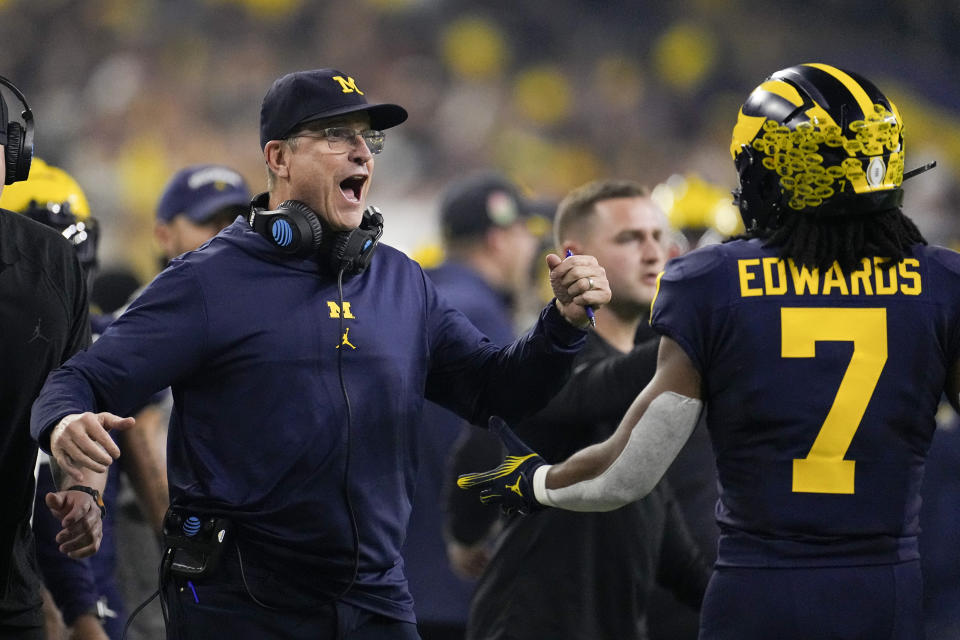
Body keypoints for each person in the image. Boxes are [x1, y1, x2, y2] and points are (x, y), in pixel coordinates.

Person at [29, 67, 610, 640]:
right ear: (278, 158)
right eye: (337, 136)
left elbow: (497, 392)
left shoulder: (401, 283)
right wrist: (64, 426)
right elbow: (79, 379)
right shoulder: (208, 282)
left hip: (376, 595)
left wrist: (560, 326)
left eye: (368, 139)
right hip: (241, 603)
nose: (362, 153)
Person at [459, 63, 954, 640]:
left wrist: (534, 483)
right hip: (884, 593)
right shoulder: (943, 282)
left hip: (755, 590)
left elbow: (626, 473)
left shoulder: (713, 281)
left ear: (775, 172)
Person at [452, 179, 710, 640]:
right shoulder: (547, 363)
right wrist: (702, 332)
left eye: (658, 236)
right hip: (531, 625)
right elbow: (481, 444)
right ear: (576, 256)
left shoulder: (653, 368)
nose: (654, 253)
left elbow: (657, 519)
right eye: (630, 238)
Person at [401, 171, 539, 640]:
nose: (530, 251)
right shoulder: (480, 317)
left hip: (392, 576)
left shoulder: (414, 299)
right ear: (500, 239)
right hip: (455, 579)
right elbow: (492, 441)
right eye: (525, 235)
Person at [0, 75, 107, 640]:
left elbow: (75, 401)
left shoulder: (49, 265)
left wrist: (86, 490)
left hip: (7, 592)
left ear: (12, 156)